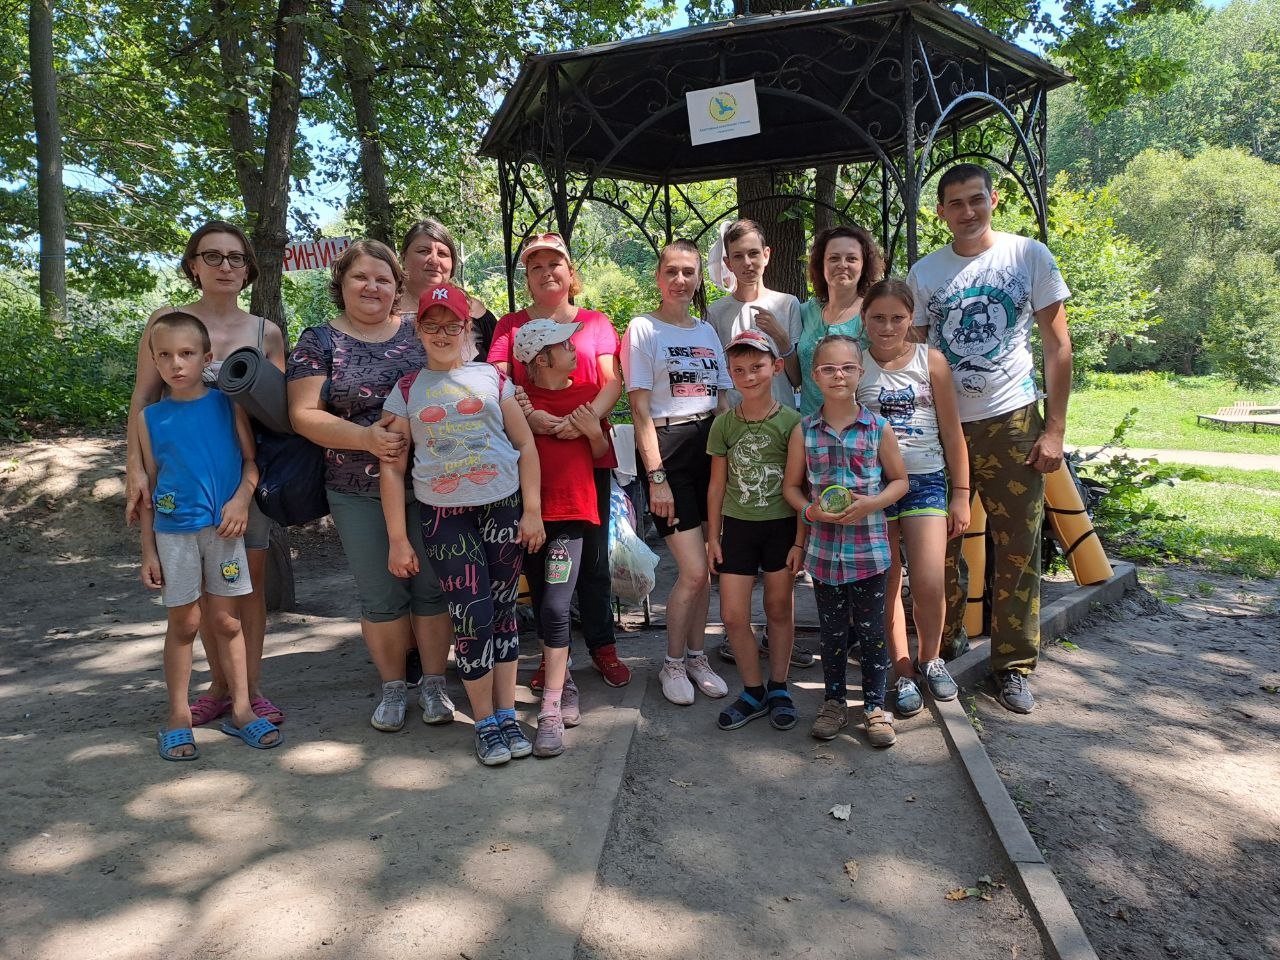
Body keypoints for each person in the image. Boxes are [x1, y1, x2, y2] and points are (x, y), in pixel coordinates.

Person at [907, 163, 1072, 715]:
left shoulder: (1028, 256)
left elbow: (1057, 345)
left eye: (976, 199)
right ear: (941, 212)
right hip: (943, 428)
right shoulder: (925, 273)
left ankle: (1014, 664)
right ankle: (942, 649)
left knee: (1017, 546)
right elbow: (917, 358)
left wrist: (1054, 429)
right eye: (955, 203)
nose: (968, 211)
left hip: (1013, 420)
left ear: (993, 199)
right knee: (938, 545)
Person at [287, 239, 455, 732]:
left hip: (431, 484)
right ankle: (393, 688)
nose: (372, 286)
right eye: (361, 276)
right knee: (381, 594)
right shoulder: (319, 340)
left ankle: (435, 685)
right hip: (354, 488)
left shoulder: (418, 331)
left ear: (396, 286)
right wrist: (366, 438)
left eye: (383, 279)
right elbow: (302, 414)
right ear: (341, 282)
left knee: (433, 589)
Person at [125, 220, 286, 729]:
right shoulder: (166, 323)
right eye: (212, 256)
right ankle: (218, 688)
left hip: (244, 479)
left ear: (248, 269)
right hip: (184, 483)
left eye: (235, 257)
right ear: (193, 265)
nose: (224, 266)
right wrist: (134, 467)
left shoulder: (265, 332)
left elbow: (278, 412)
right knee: (199, 596)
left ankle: (248, 690)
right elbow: (143, 398)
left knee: (245, 589)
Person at [380, 282, 546, 767]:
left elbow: (525, 444)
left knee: (503, 611)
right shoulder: (407, 389)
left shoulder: (492, 378)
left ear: (466, 327)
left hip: (502, 508)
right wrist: (397, 538)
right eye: (431, 325)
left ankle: (507, 714)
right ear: (418, 330)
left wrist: (532, 510)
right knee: (471, 615)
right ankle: (485, 722)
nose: (441, 333)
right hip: (444, 516)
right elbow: (392, 467)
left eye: (451, 324)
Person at [488, 232, 630, 688]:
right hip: (532, 459)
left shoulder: (595, 322)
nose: (547, 272)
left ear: (571, 272)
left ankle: (602, 646)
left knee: (592, 562)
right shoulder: (511, 325)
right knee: (540, 559)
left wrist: (582, 421)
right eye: (536, 266)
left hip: (588, 452)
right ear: (526, 277)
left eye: (555, 264)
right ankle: (554, 657)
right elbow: (496, 382)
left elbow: (612, 381)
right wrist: (532, 416)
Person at [138, 312, 281, 759]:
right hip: (173, 536)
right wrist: (148, 550)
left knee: (227, 621)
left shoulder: (227, 404)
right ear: (154, 361)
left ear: (207, 357)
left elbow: (251, 463)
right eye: (165, 355)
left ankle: (242, 710)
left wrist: (240, 501)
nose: (176, 364)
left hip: (224, 532)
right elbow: (149, 488)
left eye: (186, 353)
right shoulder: (149, 419)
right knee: (184, 623)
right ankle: (177, 717)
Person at [782, 335, 908, 748]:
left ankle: (874, 707)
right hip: (823, 556)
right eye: (829, 368)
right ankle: (834, 703)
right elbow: (792, 488)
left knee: (872, 633)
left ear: (861, 372)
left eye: (847, 367)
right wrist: (810, 512)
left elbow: (900, 482)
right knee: (832, 635)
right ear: (815, 376)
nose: (839, 375)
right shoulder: (804, 431)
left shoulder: (878, 428)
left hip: (869, 553)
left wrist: (872, 503)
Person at [623, 239, 731, 706]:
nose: (680, 280)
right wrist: (657, 477)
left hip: (711, 447)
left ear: (699, 277)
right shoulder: (643, 329)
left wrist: (734, 458)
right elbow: (639, 411)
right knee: (691, 570)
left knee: (707, 566)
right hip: (668, 450)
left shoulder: (706, 331)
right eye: (672, 271)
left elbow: (722, 401)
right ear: (658, 277)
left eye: (689, 272)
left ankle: (696, 656)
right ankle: (671, 661)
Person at [704, 218, 816, 670]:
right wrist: (721, 417)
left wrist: (783, 339)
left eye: (754, 253)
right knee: (743, 517)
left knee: (782, 524)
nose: (747, 262)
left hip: (784, 428)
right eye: (738, 256)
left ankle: (778, 634)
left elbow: (800, 376)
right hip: (736, 429)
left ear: (767, 255)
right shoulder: (716, 313)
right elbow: (715, 375)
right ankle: (741, 636)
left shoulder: (788, 304)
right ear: (727, 263)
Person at [856, 279, 970, 717]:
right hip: (875, 486)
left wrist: (961, 494)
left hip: (926, 481)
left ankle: (931, 658)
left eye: (897, 318)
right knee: (886, 581)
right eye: (878, 318)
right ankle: (902, 670)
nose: (887, 327)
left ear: (911, 319)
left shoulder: (931, 361)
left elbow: (952, 433)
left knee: (929, 580)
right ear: (864, 318)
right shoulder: (857, 364)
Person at [512, 319, 611, 757]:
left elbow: (601, 454)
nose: (575, 350)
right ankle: (563, 678)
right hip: (529, 519)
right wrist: (528, 415)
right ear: (542, 358)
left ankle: (551, 707)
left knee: (555, 605)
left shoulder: (588, 394)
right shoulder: (516, 399)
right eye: (566, 345)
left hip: (571, 518)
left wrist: (590, 430)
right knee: (540, 602)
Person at [706, 330, 804, 731]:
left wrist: (800, 540)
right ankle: (752, 691)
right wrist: (713, 537)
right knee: (732, 615)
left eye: (757, 367)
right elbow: (717, 486)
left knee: (779, 609)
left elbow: (801, 487)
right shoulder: (723, 425)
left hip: (781, 528)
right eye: (739, 369)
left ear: (776, 367)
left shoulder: (793, 423)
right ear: (729, 373)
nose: (749, 376)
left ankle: (779, 687)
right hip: (738, 529)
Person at [797, 225, 885, 416]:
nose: (842, 265)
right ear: (821, 264)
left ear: (864, 265)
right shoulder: (805, 312)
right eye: (834, 258)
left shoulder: (874, 315)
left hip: (860, 424)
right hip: (810, 424)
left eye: (851, 258)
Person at [400, 218, 497, 362]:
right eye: (423, 251)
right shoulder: (383, 308)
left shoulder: (475, 311)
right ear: (403, 257)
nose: (434, 260)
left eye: (442, 253)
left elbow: (500, 365)